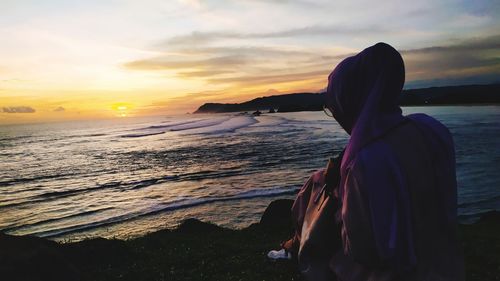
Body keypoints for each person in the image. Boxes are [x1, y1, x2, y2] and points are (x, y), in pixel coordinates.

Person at [268, 42, 464, 281]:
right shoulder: (431, 129)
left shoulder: (365, 162)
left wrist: (339, 214)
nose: (338, 116)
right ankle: (292, 245)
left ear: (351, 102)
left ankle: (294, 247)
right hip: (446, 266)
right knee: (319, 179)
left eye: (335, 107)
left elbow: (363, 251)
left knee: (321, 195)